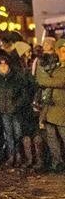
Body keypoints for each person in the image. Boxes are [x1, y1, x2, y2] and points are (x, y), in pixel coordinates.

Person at [35, 38, 65, 172]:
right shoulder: (56, 65)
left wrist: (43, 78)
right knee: (51, 137)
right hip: (50, 106)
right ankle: (57, 162)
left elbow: (58, 82)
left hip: (61, 108)